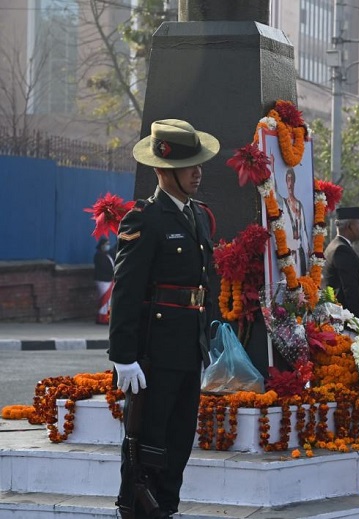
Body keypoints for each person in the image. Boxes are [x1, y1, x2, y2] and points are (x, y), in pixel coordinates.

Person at [110, 119, 219, 518]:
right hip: (154, 354)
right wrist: (123, 355)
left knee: (178, 442)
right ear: (162, 169)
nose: (198, 171)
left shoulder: (198, 216)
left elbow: (204, 284)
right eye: (189, 164)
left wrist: (213, 336)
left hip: (188, 351)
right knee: (147, 444)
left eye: (199, 162)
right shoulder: (146, 218)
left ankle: (166, 510)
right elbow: (126, 289)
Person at [323, 206, 359, 317]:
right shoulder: (341, 249)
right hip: (344, 317)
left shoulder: (334, 245)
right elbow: (350, 290)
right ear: (349, 226)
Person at [282, 167, 310, 275]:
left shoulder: (299, 204)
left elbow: (303, 230)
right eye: (288, 180)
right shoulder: (283, 203)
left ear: (294, 182)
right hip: (288, 255)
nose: (290, 184)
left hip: (300, 254)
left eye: (291, 180)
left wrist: (308, 251)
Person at [94, 236, 115, 325]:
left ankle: (107, 317)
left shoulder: (108, 255)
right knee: (104, 300)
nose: (108, 246)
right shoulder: (99, 255)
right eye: (106, 244)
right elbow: (104, 268)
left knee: (109, 301)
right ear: (101, 245)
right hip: (103, 280)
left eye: (109, 244)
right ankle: (102, 318)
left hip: (109, 280)